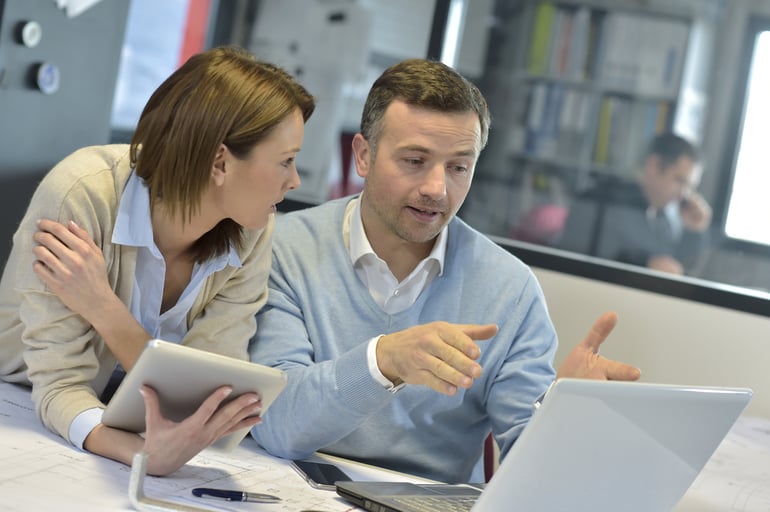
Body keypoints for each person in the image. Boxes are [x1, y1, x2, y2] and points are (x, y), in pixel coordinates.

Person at [248, 58, 640, 484]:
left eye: (458, 167)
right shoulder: (284, 249)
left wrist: (566, 417)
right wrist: (384, 362)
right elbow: (277, 424)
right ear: (363, 155)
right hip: (288, 487)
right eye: (415, 161)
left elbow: (529, 476)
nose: (437, 188)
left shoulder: (510, 289)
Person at [0, 45, 315, 476]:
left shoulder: (253, 228)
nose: (294, 180)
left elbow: (204, 398)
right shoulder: (81, 193)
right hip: (20, 400)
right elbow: (58, 386)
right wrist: (145, 458)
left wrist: (104, 308)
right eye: (286, 161)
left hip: (125, 420)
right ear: (221, 161)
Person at [558, 133, 712, 275]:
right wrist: (644, 264)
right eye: (679, 181)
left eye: (690, 187)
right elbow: (579, 264)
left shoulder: (666, 218)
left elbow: (677, 270)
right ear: (654, 165)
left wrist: (694, 231)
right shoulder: (605, 202)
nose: (684, 194)